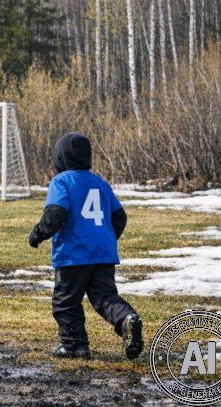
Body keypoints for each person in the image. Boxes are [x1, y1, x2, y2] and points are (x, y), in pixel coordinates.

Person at [28, 132, 143, 360]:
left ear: (61, 158)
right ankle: (126, 318)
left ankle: (75, 346)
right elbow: (119, 217)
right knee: (104, 297)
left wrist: (38, 233)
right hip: (103, 255)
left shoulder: (61, 181)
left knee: (65, 302)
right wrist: (104, 239)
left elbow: (56, 213)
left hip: (73, 255)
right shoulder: (100, 183)